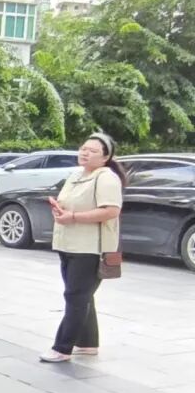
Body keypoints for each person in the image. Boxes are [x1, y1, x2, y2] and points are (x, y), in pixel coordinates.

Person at [39, 132, 124, 363]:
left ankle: (62, 347)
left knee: (75, 296)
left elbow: (111, 210)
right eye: (83, 148)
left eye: (93, 151)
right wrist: (60, 210)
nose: (85, 153)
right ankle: (87, 343)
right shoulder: (77, 174)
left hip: (90, 248)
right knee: (83, 295)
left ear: (106, 157)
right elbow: (70, 204)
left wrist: (74, 216)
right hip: (69, 243)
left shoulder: (106, 177)